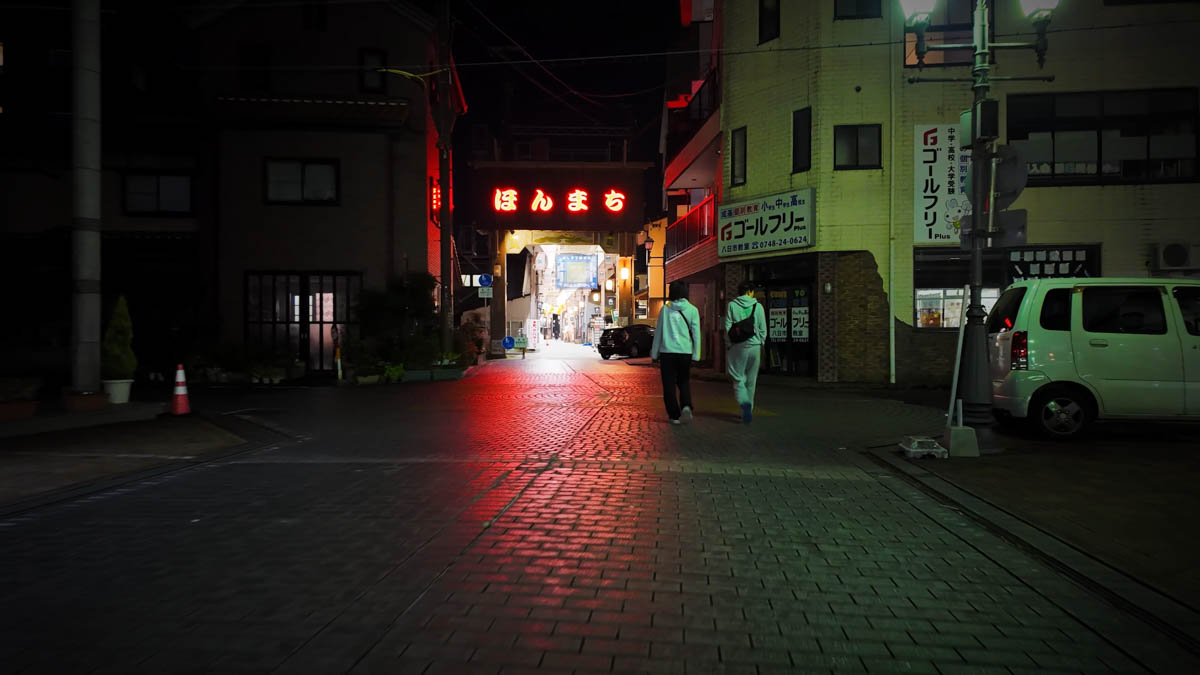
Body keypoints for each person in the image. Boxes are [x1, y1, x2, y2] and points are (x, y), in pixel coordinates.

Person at [651, 281, 702, 425]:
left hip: (667, 353)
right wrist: (696, 355)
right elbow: (697, 334)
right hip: (685, 352)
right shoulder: (693, 310)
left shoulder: (665, 310)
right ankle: (686, 405)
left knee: (668, 384)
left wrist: (654, 354)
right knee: (684, 381)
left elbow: (658, 333)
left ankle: (674, 415)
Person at [724, 280, 767, 424]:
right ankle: (748, 411)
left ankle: (744, 404)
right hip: (755, 347)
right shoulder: (758, 306)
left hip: (738, 347)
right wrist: (760, 341)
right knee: (751, 381)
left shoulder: (731, 305)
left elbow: (727, 327)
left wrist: (729, 344)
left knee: (738, 378)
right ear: (750, 292)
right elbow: (763, 329)